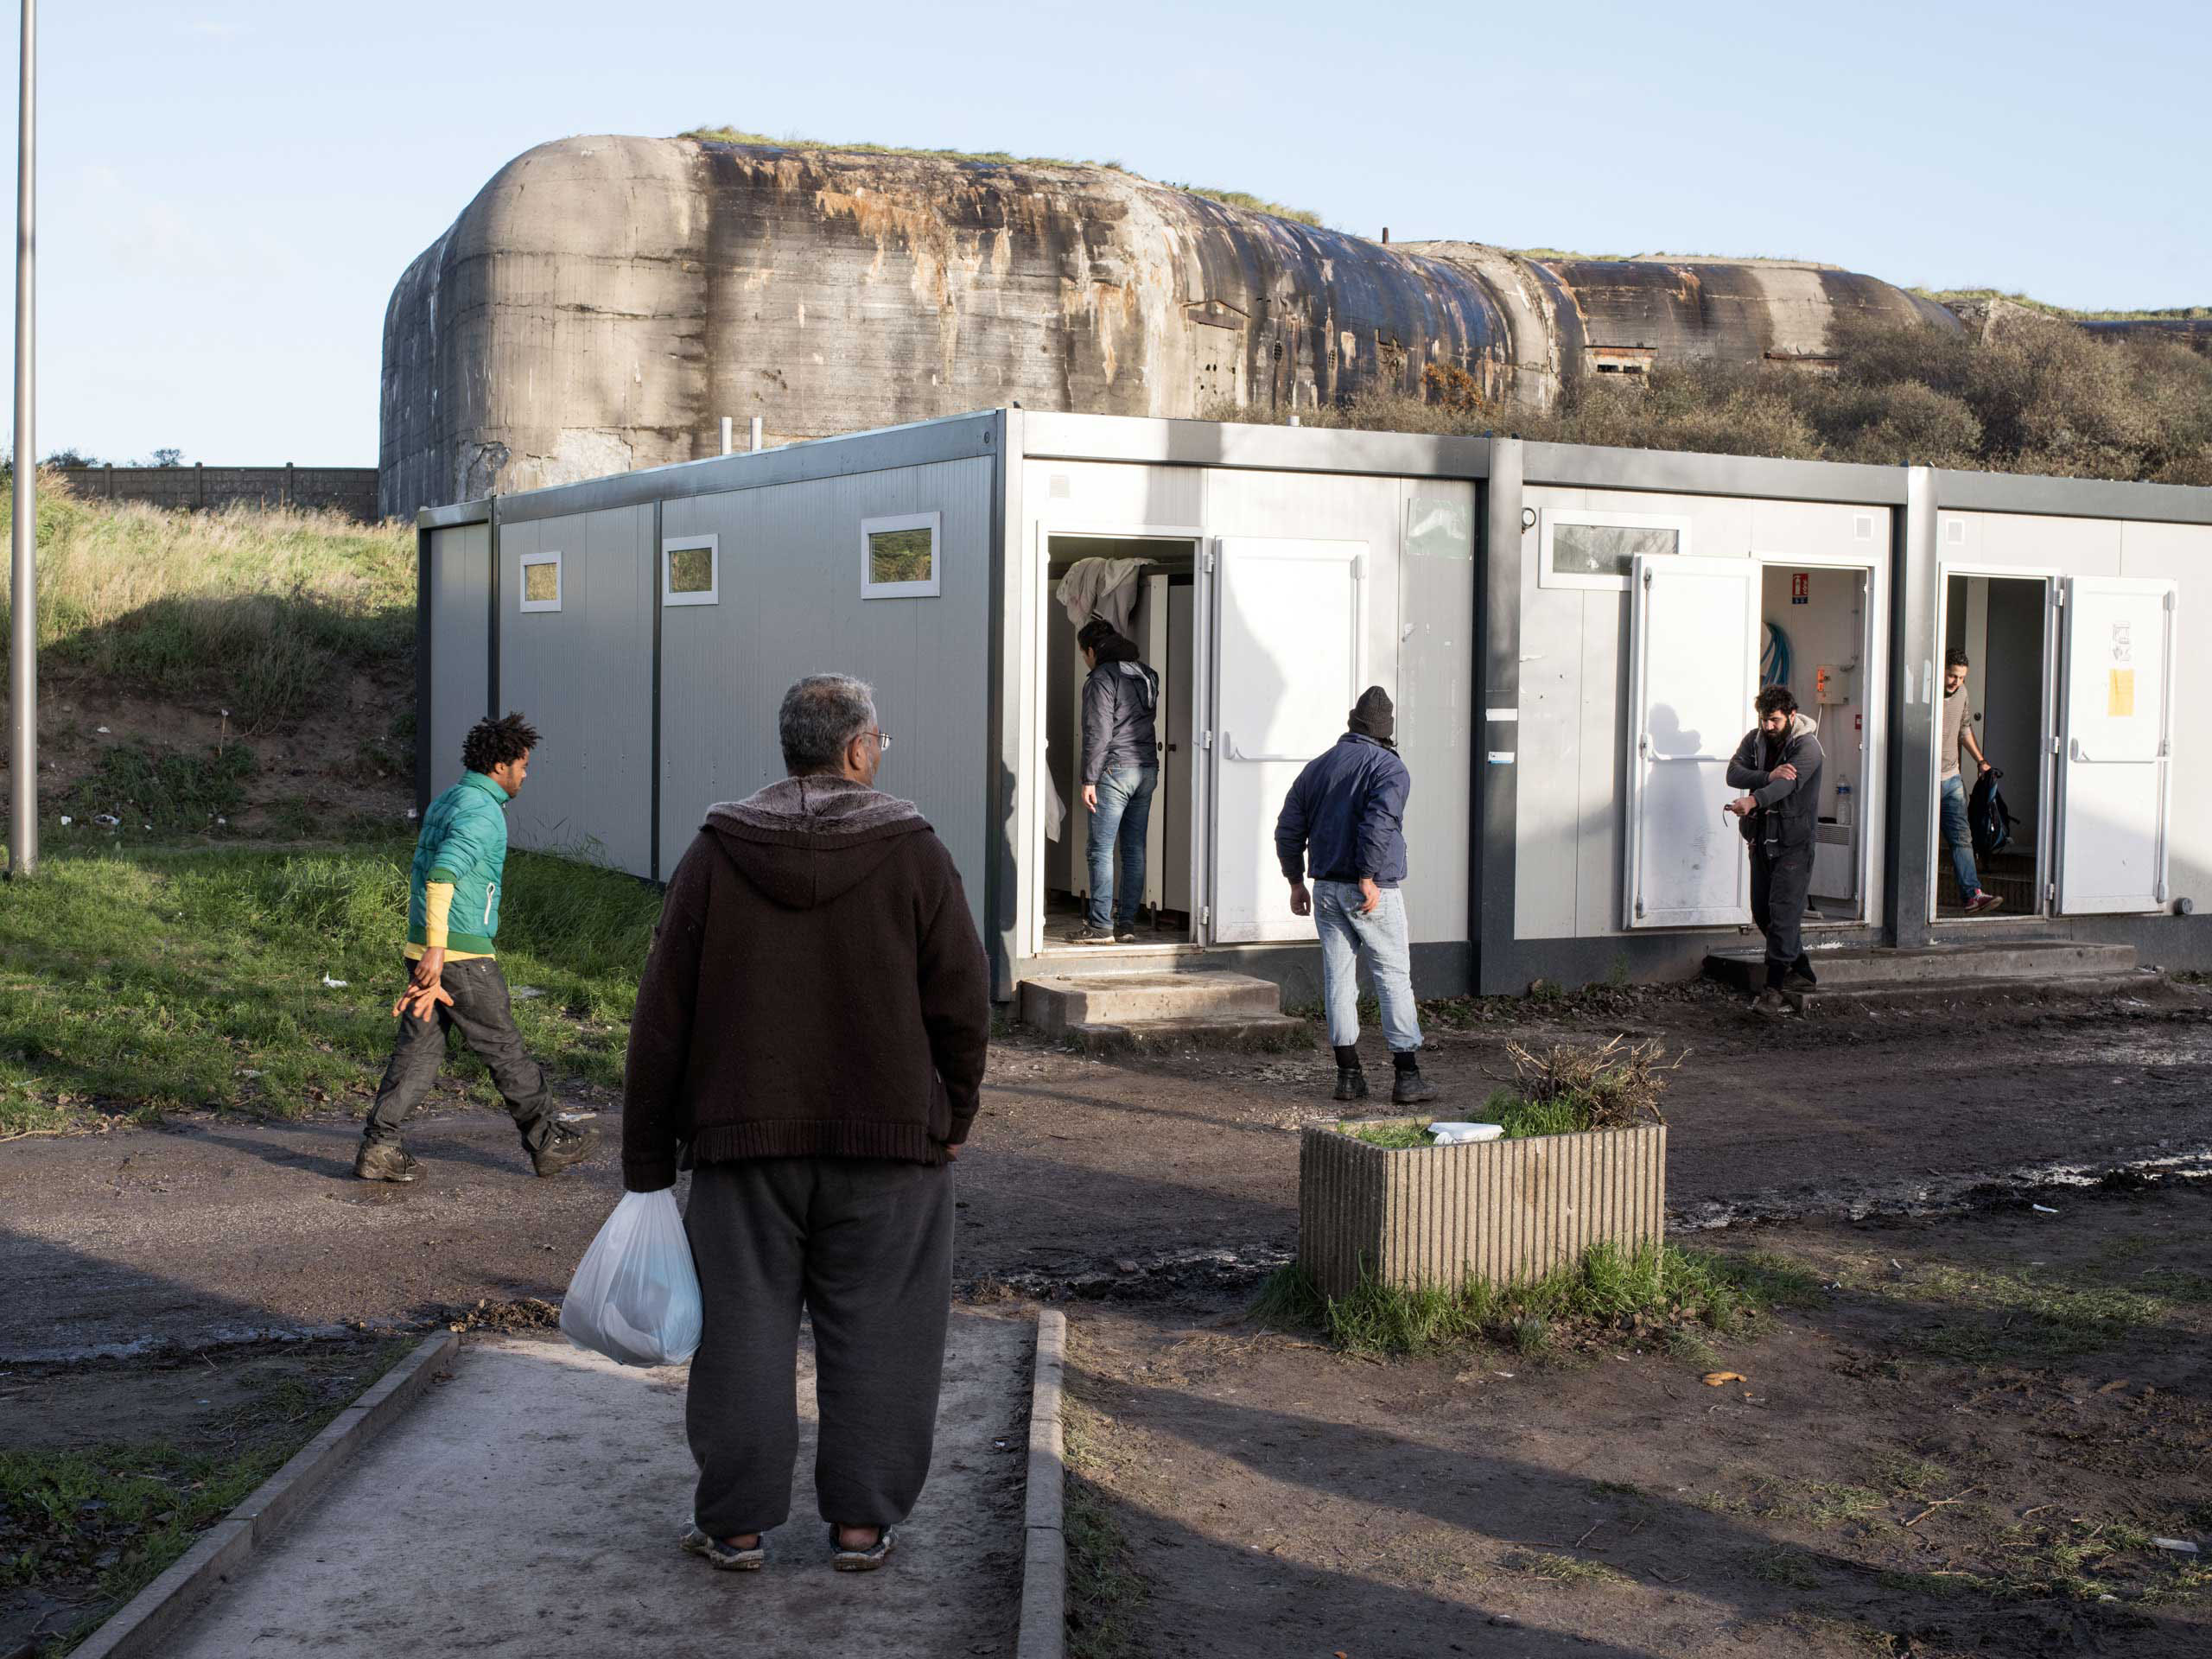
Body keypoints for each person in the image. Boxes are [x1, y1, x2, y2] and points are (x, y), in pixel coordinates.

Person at [623, 674, 990, 1574]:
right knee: (885, 1332)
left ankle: (737, 1526)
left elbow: (661, 1012)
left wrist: (647, 1162)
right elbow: (962, 999)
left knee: (742, 1333)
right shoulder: (914, 851)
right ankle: (860, 1527)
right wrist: (957, 1112)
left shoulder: (717, 853)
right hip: (893, 1146)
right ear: (858, 749)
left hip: (742, 1148)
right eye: (881, 740)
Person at [354, 713, 599, 1182]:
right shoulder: (483, 812)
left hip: (428, 944)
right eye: (524, 765)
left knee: (419, 1051)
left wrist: (427, 946)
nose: (526, 775)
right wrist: (439, 950)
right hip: (458, 954)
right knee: (504, 1048)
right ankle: (548, 1142)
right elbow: (442, 873)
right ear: (502, 765)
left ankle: (380, 1147)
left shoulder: (449, 800)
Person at [1274, 687, 1439, 1106]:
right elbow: (1379, 823)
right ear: (1387, 731)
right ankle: (1407, 1078)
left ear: (1352, 724)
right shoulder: (1390, 769)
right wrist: (1367, 876)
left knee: (1339, 980)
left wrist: (1296, 880)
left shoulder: (1318, 767)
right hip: (1372, 890)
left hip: (1326, 889)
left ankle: (1348, 1076)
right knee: (1392, 977)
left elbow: (1288, 827)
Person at [1726, 685, 1826, 1017]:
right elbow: (1733, 772)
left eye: (1775, 720)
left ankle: (1774, 989)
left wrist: (1754, 798)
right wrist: (1767, 773)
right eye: (1764, 719)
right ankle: (1803, 971)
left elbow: (1787, 786)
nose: (1768, 726)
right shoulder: (1755, 739)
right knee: (1762, 913)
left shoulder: (1808, 747)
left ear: (1791, 716)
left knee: (1783, 913)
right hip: (1762, 839)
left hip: (1794, 843)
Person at [1074, 618, 1160, 944]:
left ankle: (1099, 926)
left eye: (1084, 653)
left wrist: (1089, 778)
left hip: (1114, 771)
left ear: (1093, 651)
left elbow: (1098, 731)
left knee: (1100, 849)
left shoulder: (1102, 678)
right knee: (1134, 849)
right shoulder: (1147, 674)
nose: (1085, 659)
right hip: (1146, 770)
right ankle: (1126, 925)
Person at [1941, 648, 2004, 915]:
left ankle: (1972, 895)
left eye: (1962, 677)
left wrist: (1980, 760)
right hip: (1921, 779)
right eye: (1952, 676)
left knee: (1961, 837)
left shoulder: (1962, 693)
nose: (1957, 682)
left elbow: (1964, 728)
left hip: (1951, 776)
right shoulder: (1927, 694)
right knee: (1916, 840)